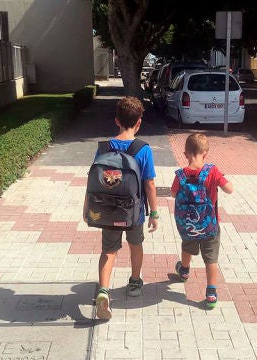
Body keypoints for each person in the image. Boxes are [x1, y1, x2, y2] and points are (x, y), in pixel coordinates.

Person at [94, 97, 159, 320]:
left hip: (108, 210)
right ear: (139, 122)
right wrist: (155, 213)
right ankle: (134, 283)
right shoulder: (143, 149)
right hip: (134, 212)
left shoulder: (103, 147)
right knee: (135, 244)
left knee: (109, 250)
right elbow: (149, 183)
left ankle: (103, 290)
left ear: (116, 120)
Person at [171, 133, 233, 309]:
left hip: (189, 224)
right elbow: (230, 189)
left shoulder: (181, 175)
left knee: (187, 246)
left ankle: (184, 270)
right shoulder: (212, 171)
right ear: (205, 154)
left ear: (185, 154)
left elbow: (173, 193)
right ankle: (211, 293)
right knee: (211, 259)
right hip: (210, 225)